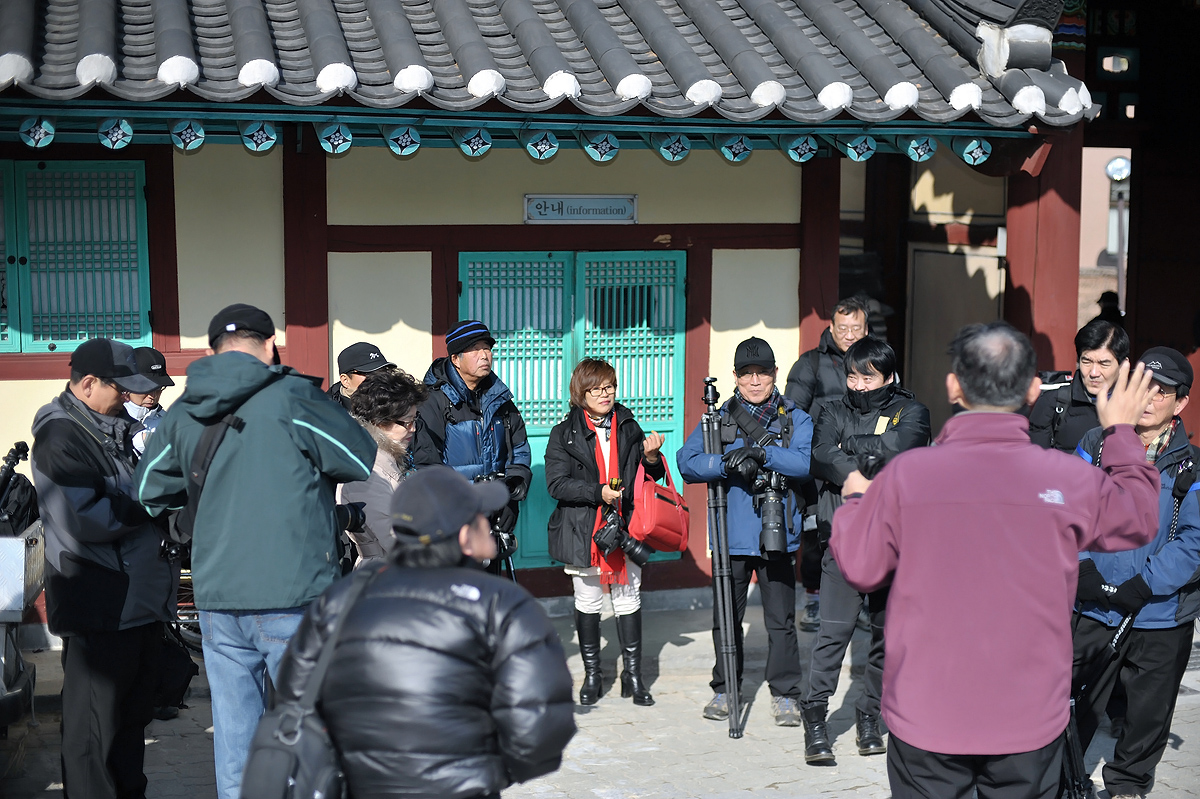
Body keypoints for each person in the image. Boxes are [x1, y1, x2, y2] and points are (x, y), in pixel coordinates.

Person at [829, 321, 1160, 799]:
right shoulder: (1066, 478)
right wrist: (1121, 432)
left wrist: (857, 500)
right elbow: (1139, 518)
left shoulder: (906, 476)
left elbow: (861, 567)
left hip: (928, 716)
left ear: (953, 386)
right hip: (1027, 718)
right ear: (1032, 391)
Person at [135, 303, 376, 799]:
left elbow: (148, 492)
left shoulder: (184, 409)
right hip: (294, 589)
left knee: (235, 731)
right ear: (270, 346)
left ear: (212, 352)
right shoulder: (296, 397)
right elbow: (358, 457)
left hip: (218, 593)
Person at [274, 465, 576, 799]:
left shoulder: (340, 598)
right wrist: (487, 774)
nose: (489, 524)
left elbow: (293, 698)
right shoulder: (502, 604)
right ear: (464, 536)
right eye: (480, 517)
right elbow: (541, 727)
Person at [30, 338, 177, 799]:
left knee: (130, 725)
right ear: (89, 383)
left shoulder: (112, 427)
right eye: (120, 387)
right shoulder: (61, 435)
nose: (128, 396)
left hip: (137, 605)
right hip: (101, 604)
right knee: (93, 735)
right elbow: (86, 518)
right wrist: (153, 502)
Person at [1072, 346, 1199, 799]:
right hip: (1092, 604)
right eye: (1142, 387)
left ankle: (1127, 786)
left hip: (1160, 613)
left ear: (1180, 403)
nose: (1147, 399)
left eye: (1161, 392)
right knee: (1072, 704)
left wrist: (1147, 582)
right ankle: (1061, 780)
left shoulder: (1192, 464)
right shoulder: (1094, 445)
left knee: (1147, 714)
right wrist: (1082, 568)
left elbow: (1194, 541)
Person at [802, 337, 930, 764]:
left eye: (867, 377)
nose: (858, 385)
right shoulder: (831, 410)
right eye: (852, 376)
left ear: (889, 376)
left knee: (887, 638)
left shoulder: (912, 411)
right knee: (832, 635)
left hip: (895, 541)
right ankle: (815, 718)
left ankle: (869, 714)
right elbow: (820, 455)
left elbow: (903, 449)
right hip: (843, 539)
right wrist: (864, 463)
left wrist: (851, 449)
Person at [678, 337, 814, 727]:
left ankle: (785, 693)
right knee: (725, 618)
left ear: (775, 373)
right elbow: (687, 462)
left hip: (777, 533)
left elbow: (805, 463)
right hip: (730, 535)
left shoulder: (794, 418)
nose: (755, 381)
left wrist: (763, 454)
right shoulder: (718, 418)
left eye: (763, 373)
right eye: (747, 373)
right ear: (735, 376)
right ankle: (725, 688)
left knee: (781, 621)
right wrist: (726, 464)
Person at [544, 358, 666, 707]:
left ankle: (633, 675)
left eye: (609, 387)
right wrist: (598, 492)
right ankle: (593, 675)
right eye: (596, 389)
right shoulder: (563, 434)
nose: (604, 394)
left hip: (625, 526)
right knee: (588, 601)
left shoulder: (628, 426)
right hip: (583, 529)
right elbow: (556, 485)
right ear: (580, 393)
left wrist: (652, 458)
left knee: (628, 598)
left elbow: (649, 476)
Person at [412, 320, 532, 572]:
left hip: (494, 520)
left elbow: (519, 449)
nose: (484, 355)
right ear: (455, 359)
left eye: (487, 348)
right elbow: (426, 464)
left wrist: (510, 497)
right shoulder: (433, 401)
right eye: (475, 350)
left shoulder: (500, 399)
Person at [785, 295, 871, 632]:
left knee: (861, 535)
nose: (849, 335)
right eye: (843, 328)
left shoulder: (876, 362)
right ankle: (814, 601)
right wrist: (819, 450)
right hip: (819, 467)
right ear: (831, 327)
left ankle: (857, 602)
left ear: (866, 330)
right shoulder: (810, 363)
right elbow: (791, 415)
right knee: (816, 535)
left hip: (862, 466)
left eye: (856, 328)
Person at [339, 368, 427, 566]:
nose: (413, 428)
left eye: (415, 420)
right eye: (406, 422)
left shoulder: (387, 459)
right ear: (378, 422)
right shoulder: (368, 472)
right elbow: (394, 538)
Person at [1028, 320, 1130, 452]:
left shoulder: (1136, 407)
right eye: (1086, 361)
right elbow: (1036, 459)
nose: (1094, 373)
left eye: (1104, 364)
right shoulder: (1054, 402)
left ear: (1123, 365)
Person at [125, 346, 176, 455]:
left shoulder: (167, 422)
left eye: (158, 388)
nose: (152, 396)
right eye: (146, 388)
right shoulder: (111, 416)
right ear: (128, 384)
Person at [327, 341, 396, 410]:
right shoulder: (327, 412)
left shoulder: (397, 404)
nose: (378, 378)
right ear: (345, 381)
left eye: (383, 371)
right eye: (369, 374)